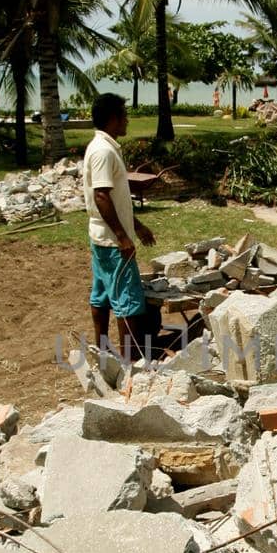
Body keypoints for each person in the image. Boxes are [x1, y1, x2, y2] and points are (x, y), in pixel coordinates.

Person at [83, 92, 155, 358]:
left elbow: (115, 199)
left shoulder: (102, 146)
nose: (127, 121)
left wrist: (137, 226)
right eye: (124, 116)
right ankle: (130, 361)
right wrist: (123, 237)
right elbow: (101, 196)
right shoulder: (103, 151)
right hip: (112, 241)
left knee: (101, 292)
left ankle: (102, 350)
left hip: (102, 236)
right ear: (113, 119)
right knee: (129, 301)